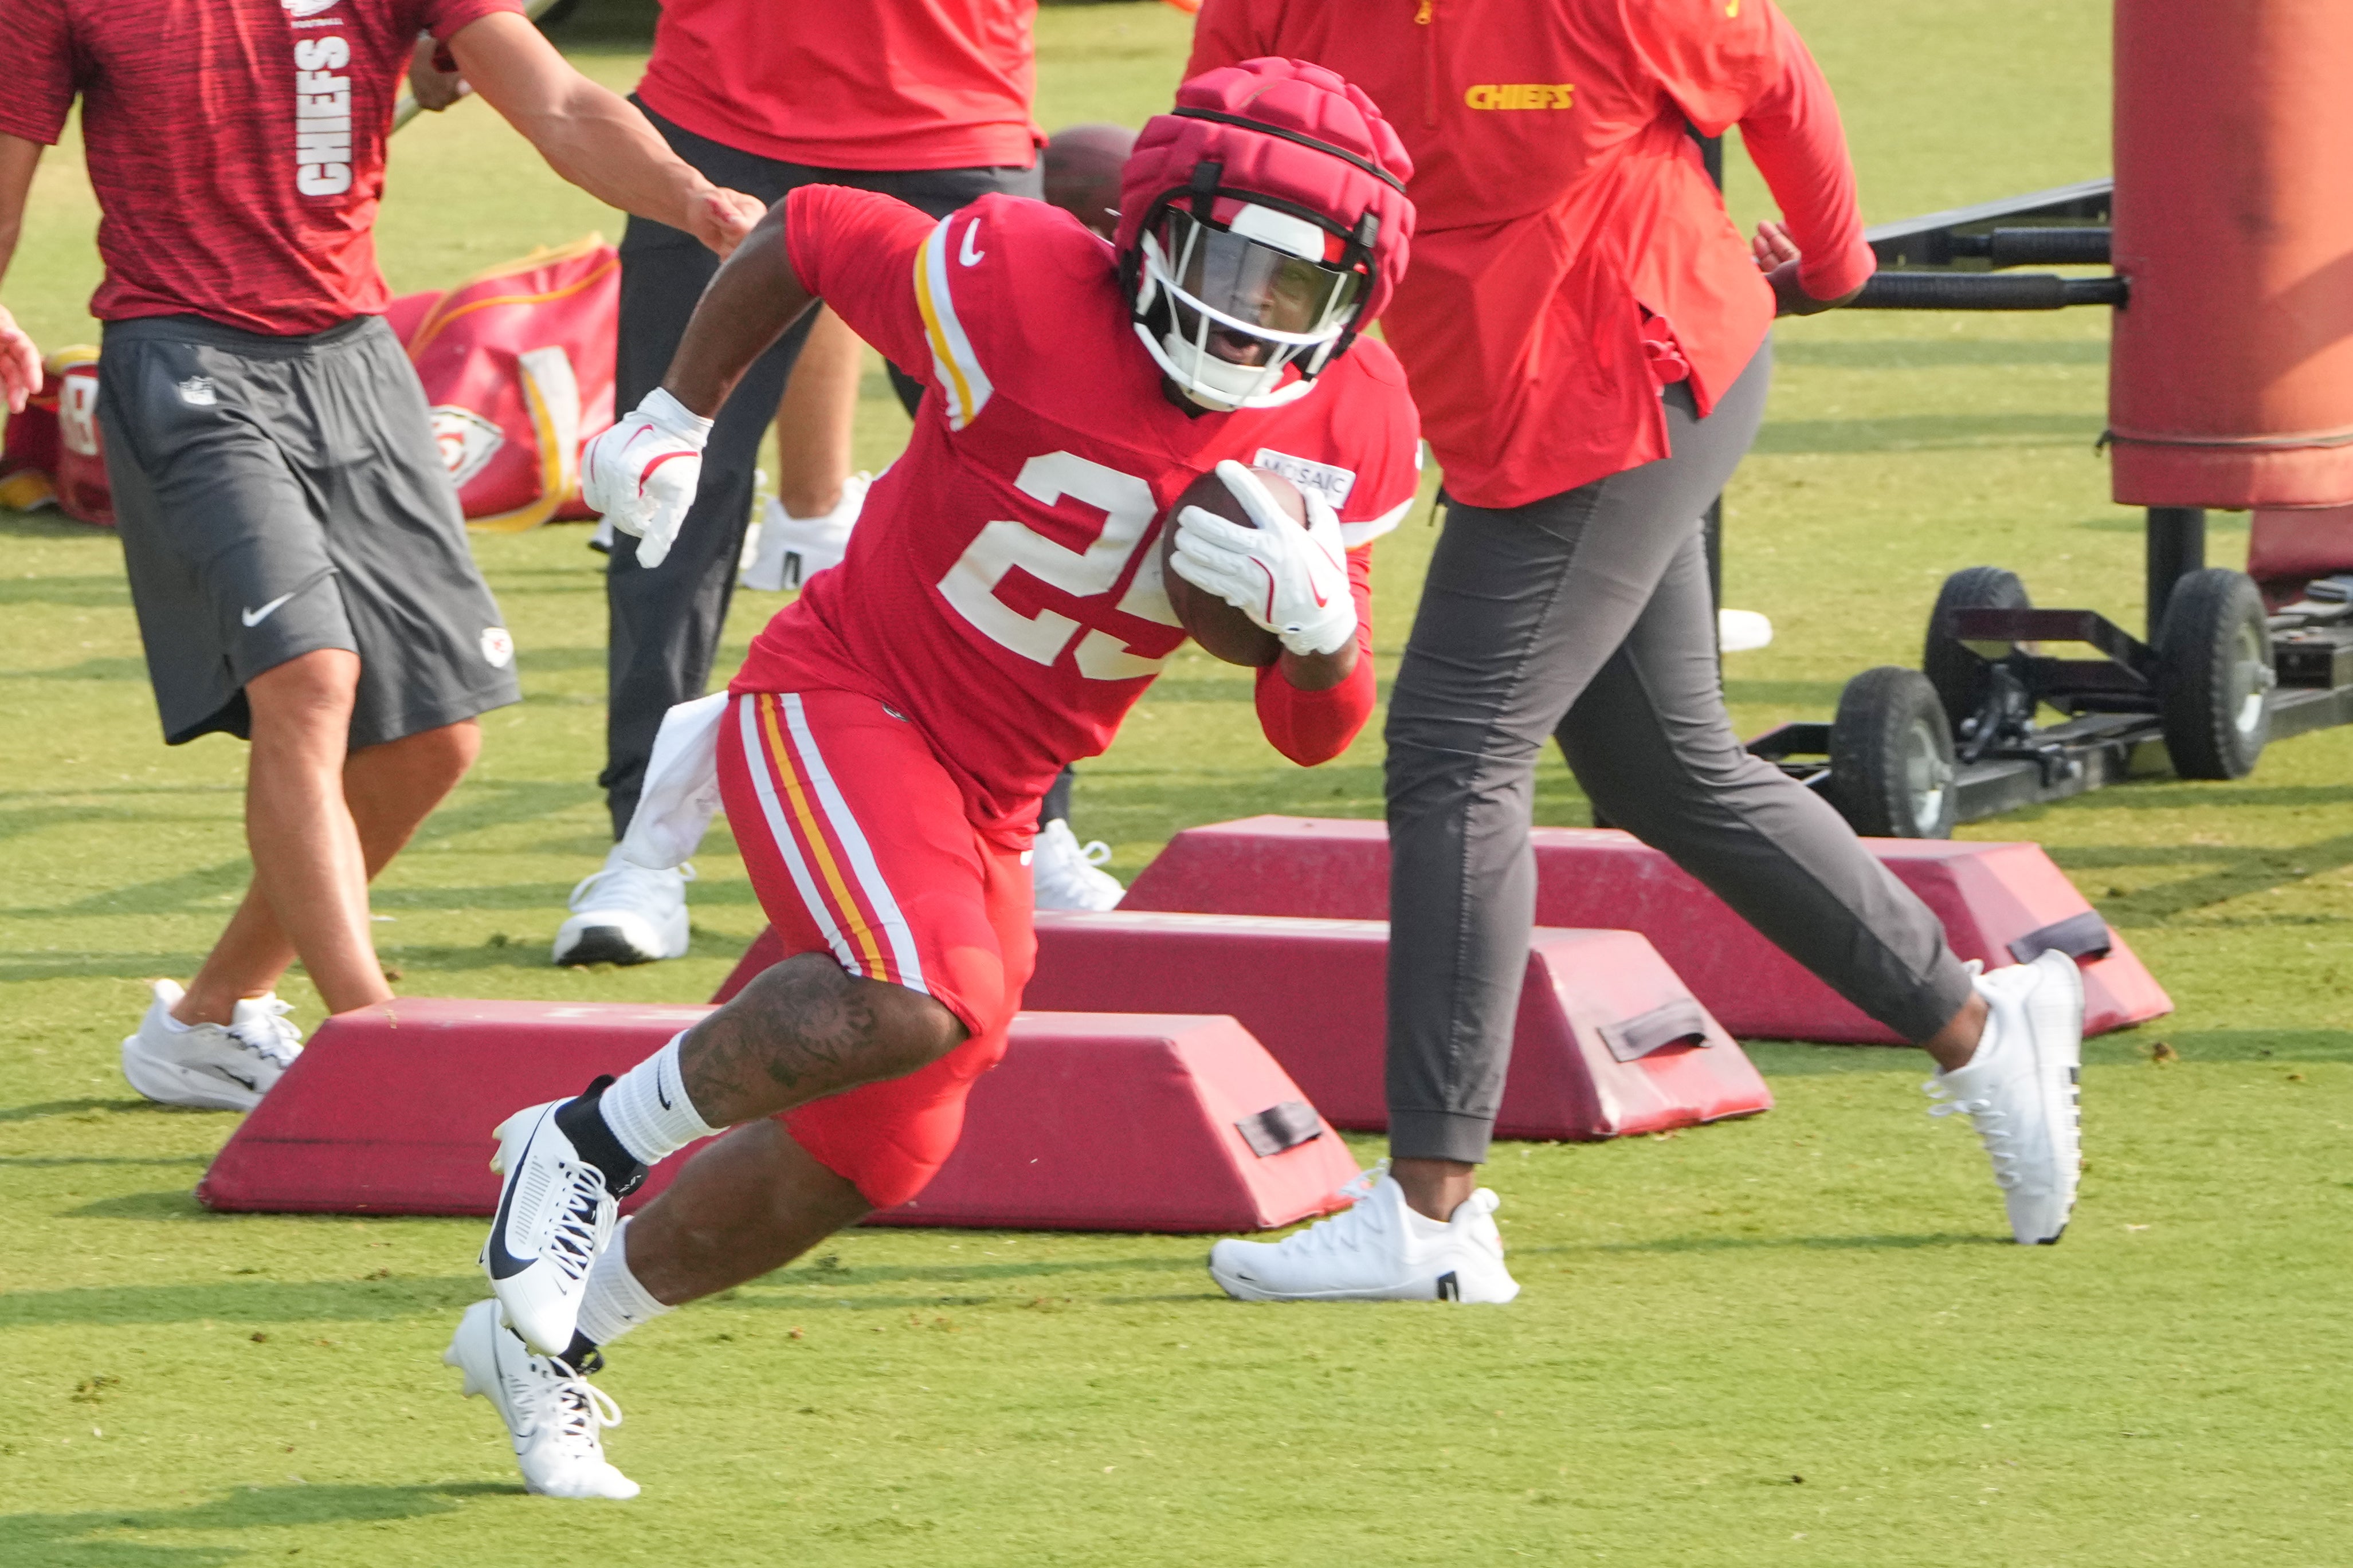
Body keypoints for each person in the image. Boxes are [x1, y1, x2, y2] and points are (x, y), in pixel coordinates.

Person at [444, 60, 1422, 1498]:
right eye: (1225, 263)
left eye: (1295, 290)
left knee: (885, 1146)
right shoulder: (1021, 276)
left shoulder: (1350, 425)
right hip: (843, 690)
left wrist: (1324, 629)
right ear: (1153, 226)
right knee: (923, 993)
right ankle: (577, 1147)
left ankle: (556, 1341)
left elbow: (1313, 731)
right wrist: (677, 411)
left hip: (1000, 790)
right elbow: (816, 228)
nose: (1249, 313)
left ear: (1351, 304)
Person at [1188, 0, 2085, 1304]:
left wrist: (1834, 267)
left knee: (1454, 754)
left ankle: (1431, 1211)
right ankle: (1980, 1020)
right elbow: (1222, 156)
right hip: (1502, 409)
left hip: (1638, 374)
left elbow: (1774, 70)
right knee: (1665, 767)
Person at [0, 0, 762, 1111]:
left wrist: (690, 197)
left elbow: (556, 100)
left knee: (434, 739)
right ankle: (373, 1038)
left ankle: (209, 1018)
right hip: (183, 357)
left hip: (355, 360)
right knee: (311, 681)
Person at [555, 0, 1052, 968]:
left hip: (954, 114)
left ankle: (1041, 828)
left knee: (1029, 490)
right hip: (720, 116)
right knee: (664, 501)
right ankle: (642, 851)